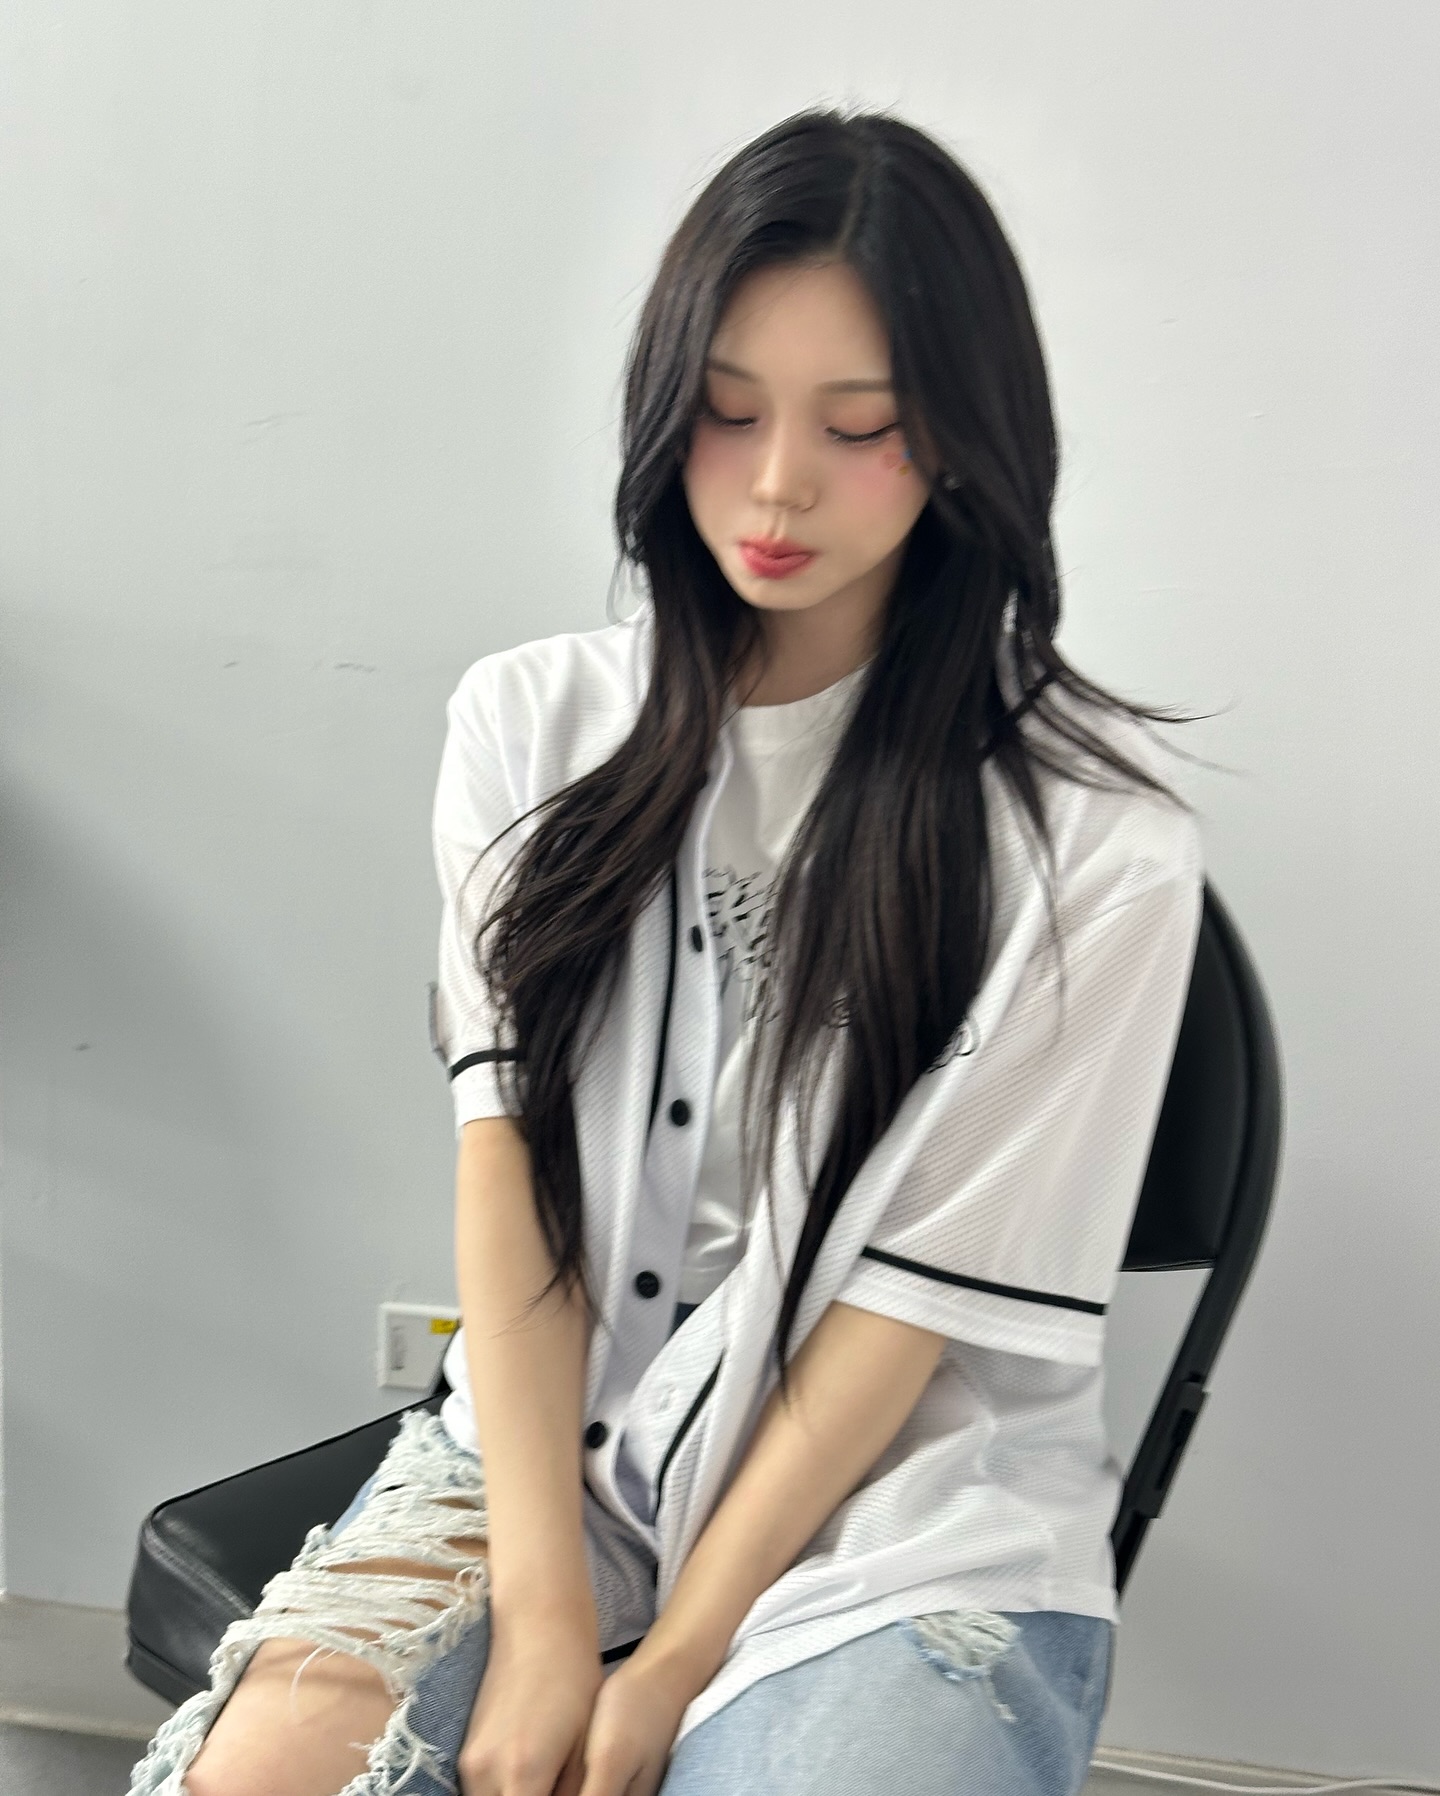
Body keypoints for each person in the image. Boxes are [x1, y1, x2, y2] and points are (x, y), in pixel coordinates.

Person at [129, 105, 1203, 1796]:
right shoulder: (531, 728)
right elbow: (513, 1179)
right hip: (541, 1460)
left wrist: (671, 1668)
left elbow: (899, 1322)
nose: (777, 483)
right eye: (726, 410)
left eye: (860, 425)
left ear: (962, 439)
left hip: (898, 1505)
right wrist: (550, 1620)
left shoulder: (1098, 847)